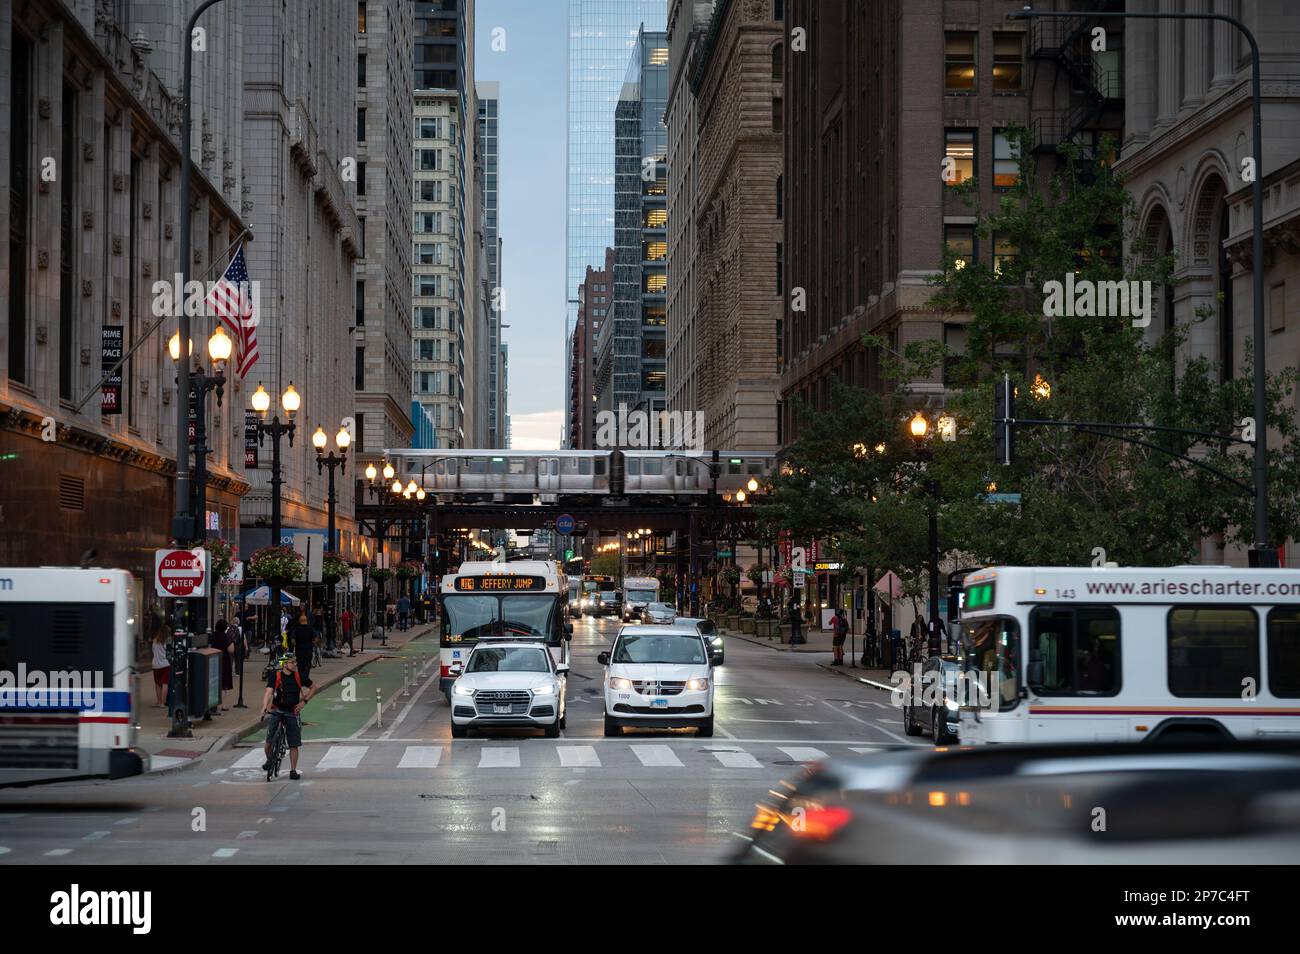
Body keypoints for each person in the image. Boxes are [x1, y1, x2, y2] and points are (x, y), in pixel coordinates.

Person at [261, 654, 315, 781]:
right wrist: (264, 707)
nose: (295, 664)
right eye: (292, 662)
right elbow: (268, 692)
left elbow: (314, 687)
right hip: (277, 710)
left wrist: (303, 702)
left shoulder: (298, 676)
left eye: (295, 662)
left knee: (294, 744)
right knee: (268, 742)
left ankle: (293, 770)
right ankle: (269, 760)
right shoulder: (276, 676)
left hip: (292, 712)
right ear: (284, 664)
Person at [209, 619, 236, 709]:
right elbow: (231, 650)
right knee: (224, 684)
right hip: (224, 660)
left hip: (213, 660)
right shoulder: (226, 636)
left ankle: (213, 704)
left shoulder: (212, 635)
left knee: (213, 682)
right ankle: (224, 705)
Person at [289, 611, 317, 682]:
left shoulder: (296, 629)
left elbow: (293, 640)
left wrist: (296, 644)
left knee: (300, 664)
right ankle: (305, 678)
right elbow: (316, 638)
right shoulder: (310, 629)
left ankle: (300, 677)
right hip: (308, 649)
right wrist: (312, 643)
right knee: (307, 664)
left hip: (299, 649)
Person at [150, 628, 171, 708]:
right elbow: (169, 652)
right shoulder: (167, 641)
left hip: (155, 665)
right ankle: (163, 702)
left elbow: (153, 651)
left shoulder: (155, 641)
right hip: (165, 665)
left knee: (157, 684)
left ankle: (158, 702)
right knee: (165, 683)